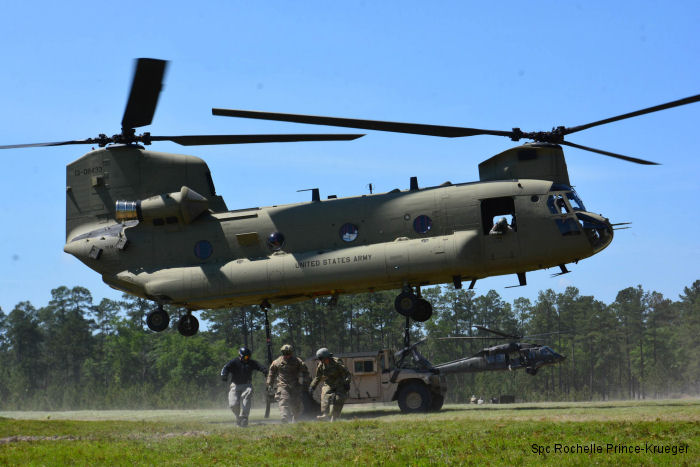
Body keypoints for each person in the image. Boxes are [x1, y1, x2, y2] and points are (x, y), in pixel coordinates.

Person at [220, 347, 267, 427]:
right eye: (245, 357)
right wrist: (224, 375)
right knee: (233, 404)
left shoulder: (250, 362)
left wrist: (264, 371)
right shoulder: (234, 362)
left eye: (248, 357)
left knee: (248, 393)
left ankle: (244, 417)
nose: (247, 359)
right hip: (235, 385)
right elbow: (225, 368)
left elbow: (259, 366)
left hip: (247, 385)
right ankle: (239, 418)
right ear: (240, 356)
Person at [267, 344, 310, 423]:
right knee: (283, 400)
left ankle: (295, 418)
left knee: (296, 404)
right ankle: (284, 417)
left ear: (291, 353)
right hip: (282, 385)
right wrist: (270, 384)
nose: (287, 356)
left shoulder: (297, 361)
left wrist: (306, 382)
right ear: (282, 353)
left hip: (295, 385)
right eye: (285, 353)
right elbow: (271, 373)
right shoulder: (277, 362)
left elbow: (305, 372)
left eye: (288, 353)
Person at [308, 348, 352, 422]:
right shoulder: (321, 366)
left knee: (339, 399)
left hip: (340, 383)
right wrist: (312, 387)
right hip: (329, 383)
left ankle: (334, 417)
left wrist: (347, 382)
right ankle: (325, 414)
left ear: (327, 357)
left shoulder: (337, 362)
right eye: (320, 359)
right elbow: (317, 377)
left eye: (322, 358)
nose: (321, 360)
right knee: (325, 395)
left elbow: (347, 373)